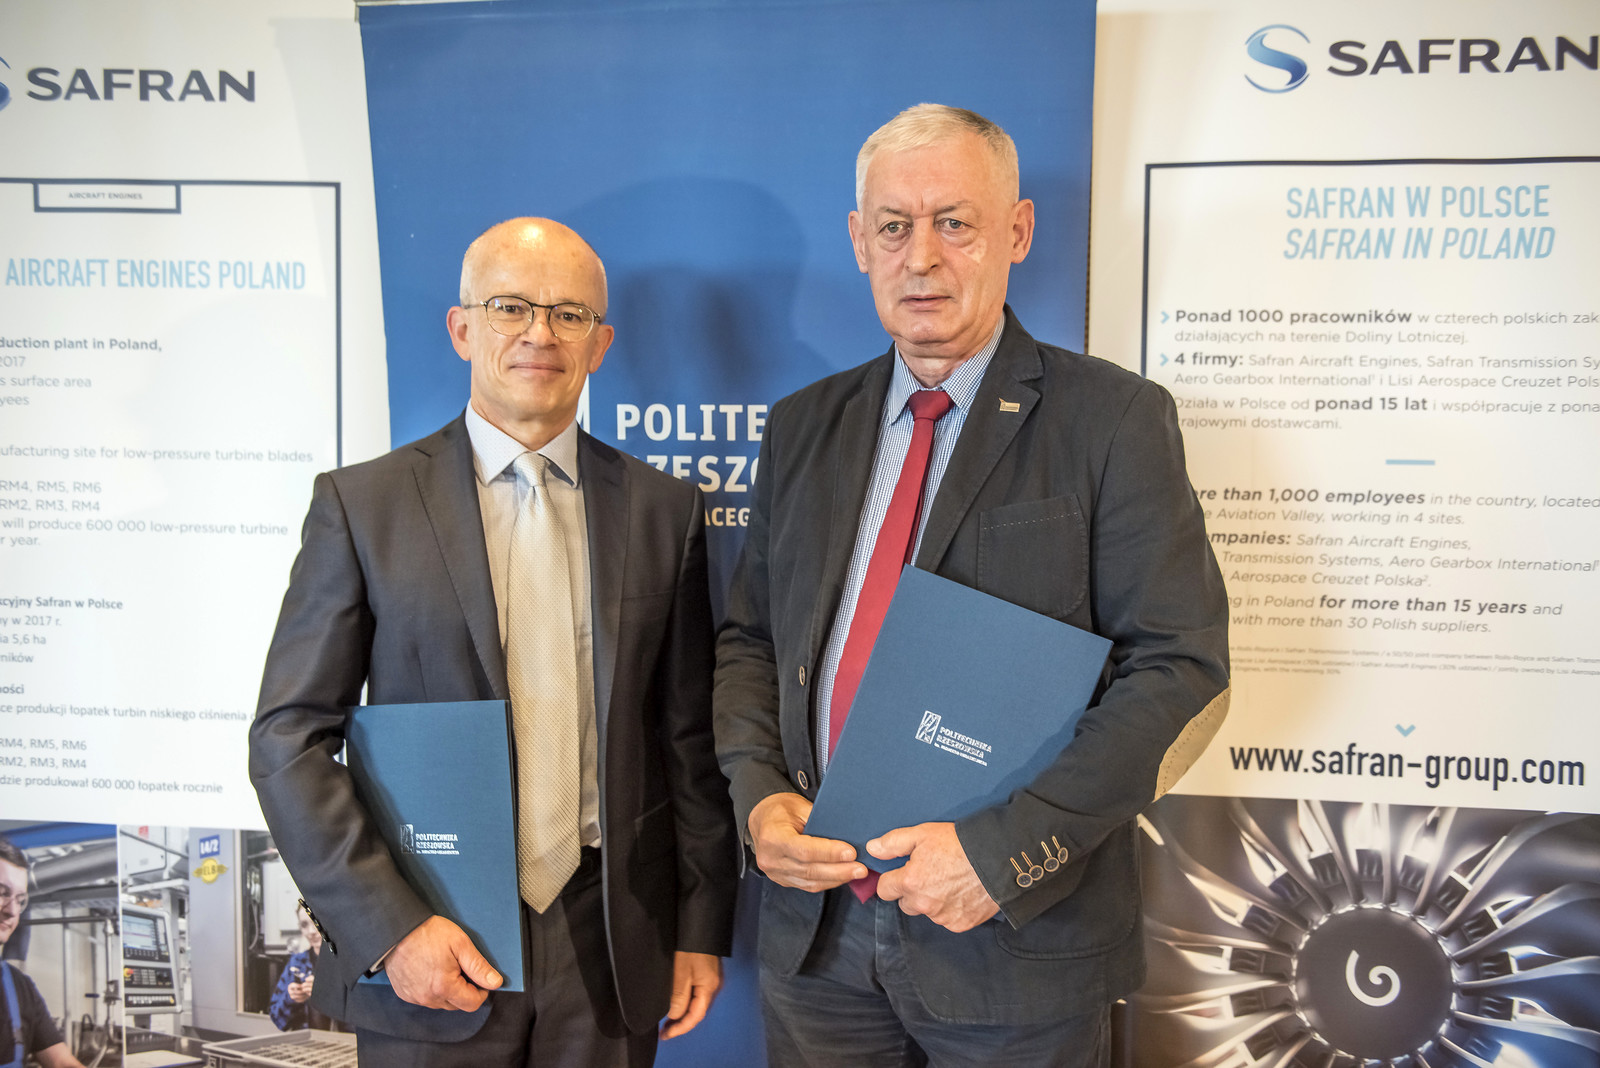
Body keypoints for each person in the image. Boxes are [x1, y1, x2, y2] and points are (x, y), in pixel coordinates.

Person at [714, 104, 1231, 1066]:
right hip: (816, 936)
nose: (922, 258)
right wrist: (757, 797)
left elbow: (1179, 669)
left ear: (1017, 232)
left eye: (955, 222)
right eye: (894, 227)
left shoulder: (1113, 419)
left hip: (1017, 938)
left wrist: (1001, 857)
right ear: (859, 241)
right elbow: (752, 641)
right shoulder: (802, 426)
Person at [250, 217, 738, 1067]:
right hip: (429, 934)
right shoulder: (362, 507)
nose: (539, 334)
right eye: (510, 307)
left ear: (600, 343)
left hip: (609, 944)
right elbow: (287, 738)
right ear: (462, 328)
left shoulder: (666, 511)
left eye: (569, 314)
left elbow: (686, 741)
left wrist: (698, 926)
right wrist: (389, 926)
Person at [0, 837, 86, 1068]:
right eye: (1, 892)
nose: (12, 911)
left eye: (20, 900)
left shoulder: (20, 986)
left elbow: (60, 1061)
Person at [269, 904, 339, 1031]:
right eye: (304, 925)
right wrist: (291, 998)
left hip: (342, 1040)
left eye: (316, 922)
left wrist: (327, 994)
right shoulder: (297, 963)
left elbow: (365, 1016)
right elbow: (276, 1018)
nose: (311, 931)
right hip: (307, 1039)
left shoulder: (347, 963)